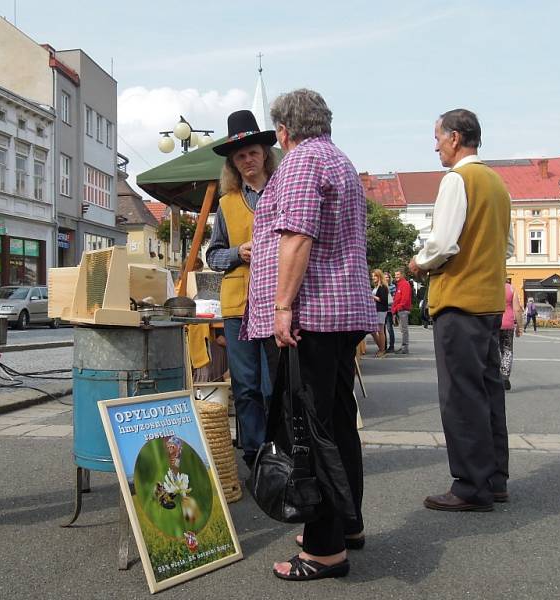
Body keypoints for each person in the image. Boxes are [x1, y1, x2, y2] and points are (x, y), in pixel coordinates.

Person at [243, 89, 377, 580]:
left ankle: (324, 550)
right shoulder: (338, 159)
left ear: (282, 130)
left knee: (307, 431)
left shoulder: (300, 163)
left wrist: (281, 306)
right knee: (337, 425)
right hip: (339, 313)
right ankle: (346, 524)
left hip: (310, 318)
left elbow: (297, 235)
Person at [409, 108, 514, 512]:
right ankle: (495, 478)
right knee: (489, 393)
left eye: (438, 137)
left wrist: (419, 262)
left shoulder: (458, 179)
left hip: (459, 301)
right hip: (488, 301)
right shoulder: (496, 183)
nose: (435, 145)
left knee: (460, 397)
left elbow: (443, 243)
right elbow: (504, 248)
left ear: (455, 138)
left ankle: (471, 485)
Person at [206, 109, 278, 469]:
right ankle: (254, 455)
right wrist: (238, 252)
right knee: (246, 387)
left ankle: (278, 449)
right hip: (237, 306)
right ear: (232, 164)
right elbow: (213, 255)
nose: (247, 160)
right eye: (240, 157)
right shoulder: (226, 203)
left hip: (276, 303)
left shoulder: (283, 191)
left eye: (252, 153)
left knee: (272, 386)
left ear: (265, 154)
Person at [500, 279, 524, 390]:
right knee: (507, 350)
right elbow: (517, 309)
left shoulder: (490, 286)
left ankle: (493, 377)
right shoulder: (511, 288)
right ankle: (505, 376)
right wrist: (520, 326)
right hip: (507, 324)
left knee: (491, 350)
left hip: (492, 323)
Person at [391, 269, 413, 354]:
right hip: (400, 310)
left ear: (402, 275)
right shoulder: (399, 285)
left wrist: (397, 308)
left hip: (403, 310)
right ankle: (403, 347)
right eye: (395, 274)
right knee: (402, 329)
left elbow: (405, 299)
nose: (396, 276)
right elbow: (397, 299)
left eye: (398, 274)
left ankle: (405, 348)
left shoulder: (405, 284)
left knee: (404, 330)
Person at [370, 269, 388, 357]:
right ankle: (381, 348)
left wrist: (372, 296)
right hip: (376, 310)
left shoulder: (383, 287)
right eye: (372, 276)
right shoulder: (376, 286)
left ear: (379, 276)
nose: (373, 278)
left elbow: (384, 300)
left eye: (375, 276)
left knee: (380, 331)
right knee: (373, 331)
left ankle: (382, 350)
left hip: (381, 310)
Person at [384, 272, 396, 351]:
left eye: (387, 277)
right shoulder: (380, 286)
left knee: (389, 328)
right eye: (385, 277)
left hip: (388, 310)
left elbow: (394, 298)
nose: (386, 278)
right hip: (381, 309)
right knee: (382, 329)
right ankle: (383, 345)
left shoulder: (392, 286)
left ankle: (391, 346)